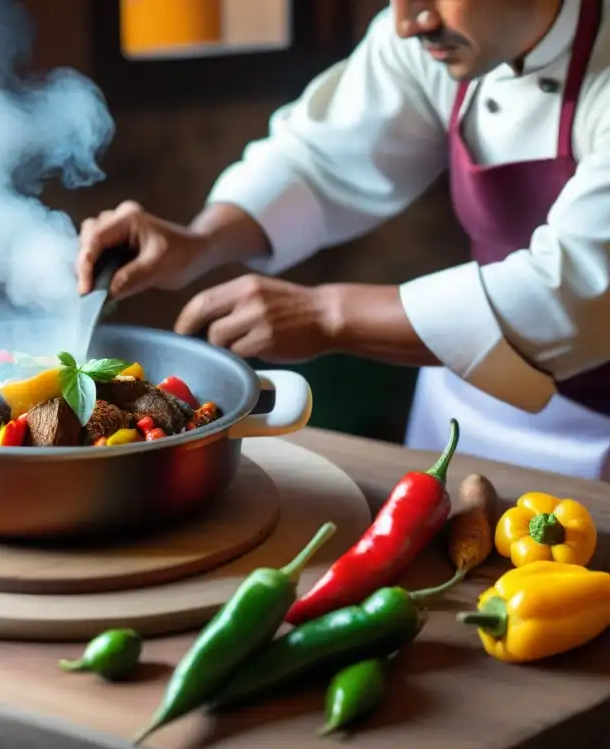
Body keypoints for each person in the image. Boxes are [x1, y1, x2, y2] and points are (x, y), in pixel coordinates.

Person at [75, 0, 610, 480]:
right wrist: (200, 240)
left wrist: (326, 314)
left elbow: (572, 293)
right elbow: (319, 160)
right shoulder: (436, 34)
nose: (406, 23)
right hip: (464, 410)